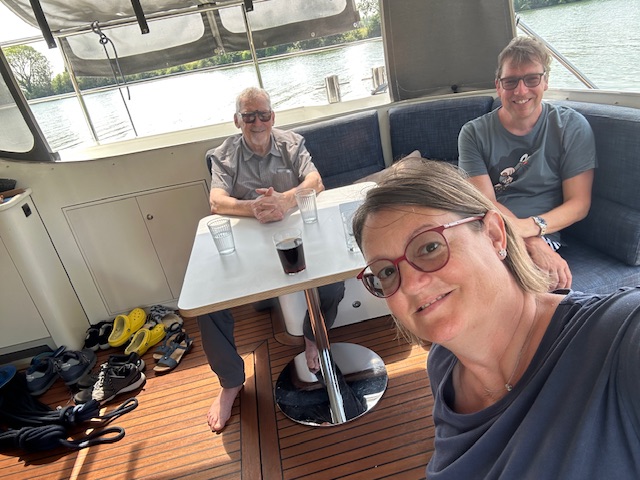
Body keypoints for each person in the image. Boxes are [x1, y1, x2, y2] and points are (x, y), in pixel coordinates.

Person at [351, 157, 640, 479]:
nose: (410, 285)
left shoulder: (617, 339)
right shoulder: (443, 366)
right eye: (387, 272)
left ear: (494, 235)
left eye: (429, 246)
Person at [200, 87, 345, 433]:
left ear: (272, 117)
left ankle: (312, 337)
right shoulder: (223, 155)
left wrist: (285, 200)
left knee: (334, 282)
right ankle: (230, 382)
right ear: (237, 120)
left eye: (263, 114)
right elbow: (217, 201)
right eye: (248, 116)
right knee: (207, 303)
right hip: (249, 243)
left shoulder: (292, 143)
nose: (257, 122)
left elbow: (315, 181)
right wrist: (251, 207)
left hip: (296, 237)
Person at [458, 36, 597, 291]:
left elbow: (579, 204)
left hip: (544, 230)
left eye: (532, 79)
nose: (521, 91)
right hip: (487, 225)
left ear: (545, 81)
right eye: (511, 81)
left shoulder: (571, 127)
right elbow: (484, 201)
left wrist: (530, 229)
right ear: (498, 86)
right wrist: (530, 240)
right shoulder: (473, 133)